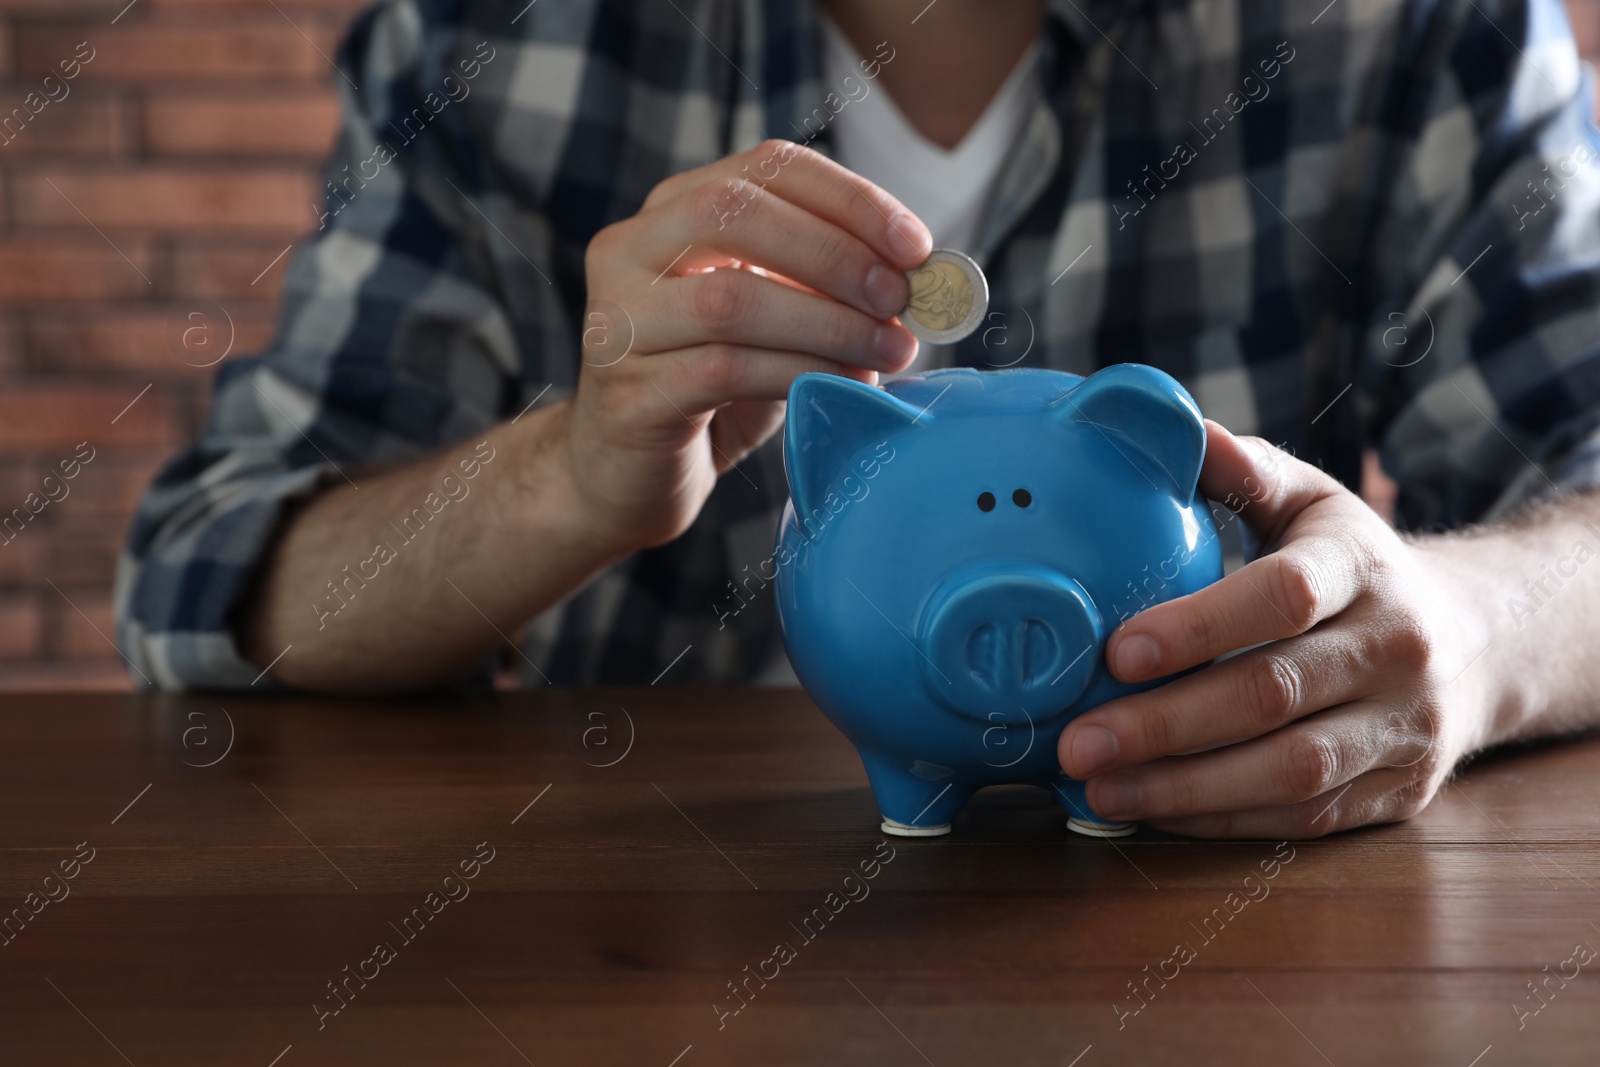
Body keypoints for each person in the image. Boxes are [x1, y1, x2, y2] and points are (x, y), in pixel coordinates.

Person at [116, 0, 1600, 839]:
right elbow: (209, 576)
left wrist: (1463, 637)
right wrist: (567, 481)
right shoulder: (486, 40)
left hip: (1204, 921)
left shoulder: (1416, 26)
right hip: (659, 936)